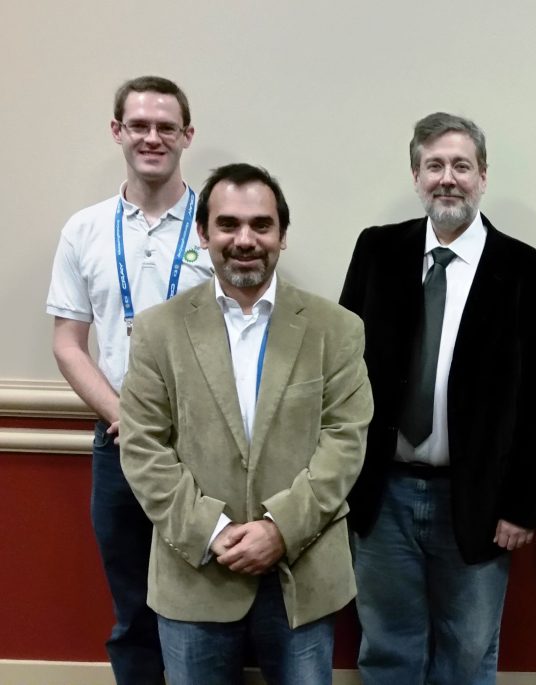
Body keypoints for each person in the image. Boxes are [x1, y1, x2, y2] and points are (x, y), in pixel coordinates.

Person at [118, 163, 373, 684]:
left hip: (302, 571)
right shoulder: (157, 331)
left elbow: (345, 441)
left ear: (282, 235)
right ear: (203, 233)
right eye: (228, 224)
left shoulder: (337, 329)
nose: (245, 240)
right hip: (195, 572)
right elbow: (143, 447)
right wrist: (212, 532)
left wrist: (280, 529)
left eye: (261, 225)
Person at [339, 112, 536, 685]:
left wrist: (523, 505)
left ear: (482, 177)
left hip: (479, 501)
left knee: (467, 653)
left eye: (461, 166)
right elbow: (340, 369)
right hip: (383, 496)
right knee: (387, 649)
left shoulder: (532, 274)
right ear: (416, 176)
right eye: (434, 165)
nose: (447, 178)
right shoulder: (377, 251)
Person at [45, 75, 211, 684]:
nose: (152, 138)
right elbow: (68, 343)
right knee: (134, 609)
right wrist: (123, 416)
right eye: (139, 125)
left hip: (204, 443)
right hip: (118, 444)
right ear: (117, 131)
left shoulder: (220, 225)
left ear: (187, 135)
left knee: (206, 602)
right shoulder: (85, 229)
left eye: (166, 127)